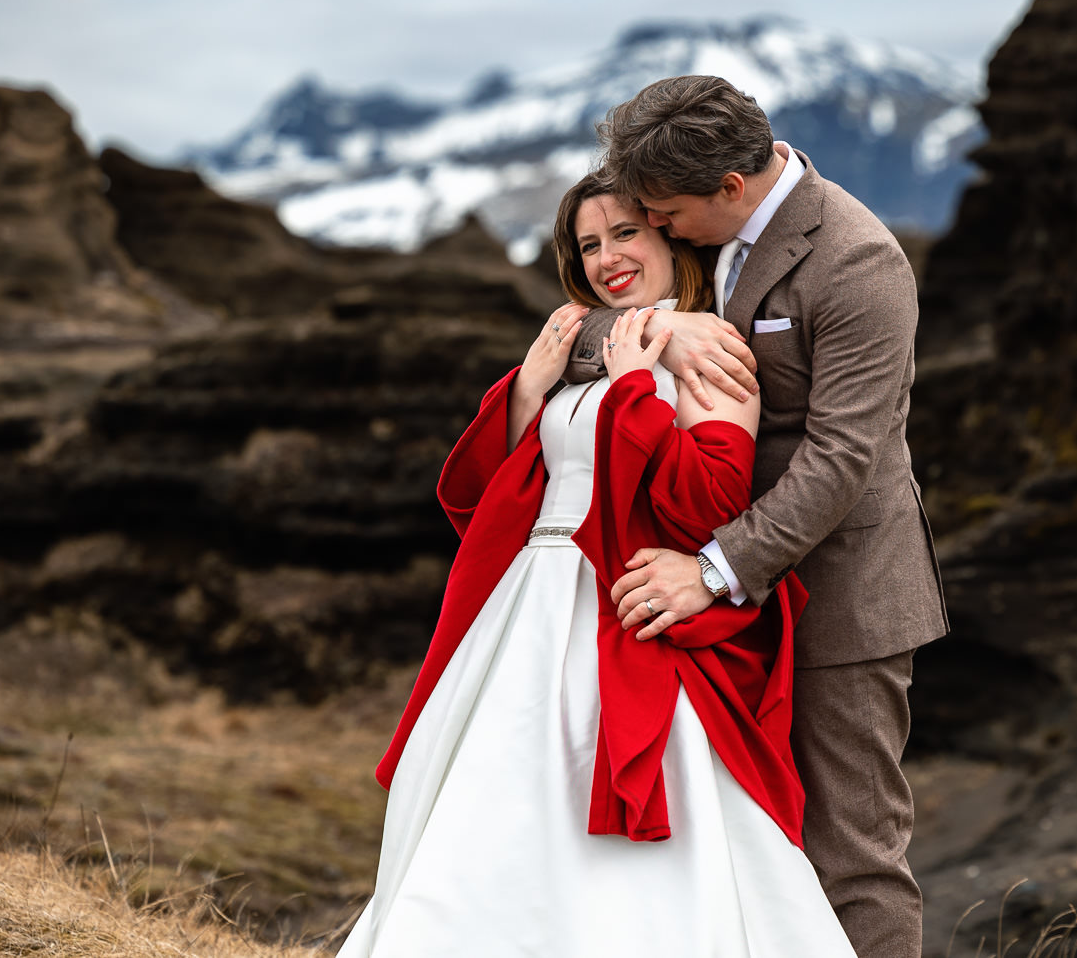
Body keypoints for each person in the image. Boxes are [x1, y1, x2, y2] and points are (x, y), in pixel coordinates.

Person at [337, 174, 855, 957]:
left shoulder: (708, 350)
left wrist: (640, 388)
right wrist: (528, 391)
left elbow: (712, 504)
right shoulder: (580, 343)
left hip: (619, 607)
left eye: (626, 234)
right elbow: (490, 492)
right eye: (589, 244)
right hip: (527, 610)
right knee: (490, 808)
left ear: (670, 237)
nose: (608, 256)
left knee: (612, 838)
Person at [562, 75, 947, 958]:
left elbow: (842, 459)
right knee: (747, 841)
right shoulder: (703, 236)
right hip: (728, 609)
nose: (652, 228)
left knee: (850, 852)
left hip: (839, 596)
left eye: (662, 213)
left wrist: (708, 571)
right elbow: (587, 323)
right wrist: (668, 332)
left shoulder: (857, 262)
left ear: (729, 188)